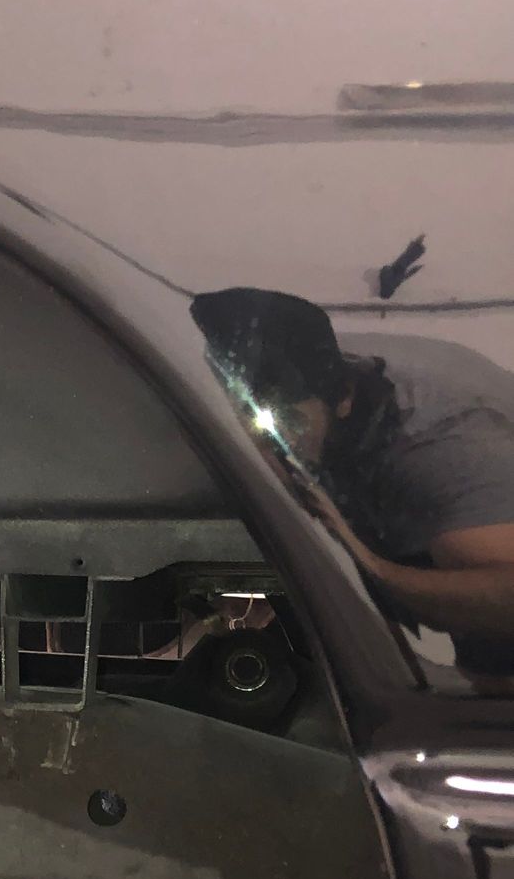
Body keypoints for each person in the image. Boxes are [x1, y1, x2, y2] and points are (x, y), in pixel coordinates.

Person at [192, 287, 514, 686]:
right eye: (252, 419)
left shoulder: (444, 450)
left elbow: (505, 603)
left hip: (485, 558)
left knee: (491, 669)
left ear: (343, 398)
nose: (270, 444)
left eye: (290, 423)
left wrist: (372, 567)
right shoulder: (262, 364)